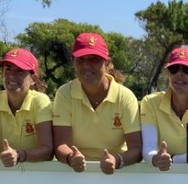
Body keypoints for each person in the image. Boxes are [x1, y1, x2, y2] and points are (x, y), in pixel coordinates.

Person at [52, 32, 140, 175]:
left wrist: (117, 161)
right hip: (76, 173)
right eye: (80, 59)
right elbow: (61, 145)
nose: (86, 65)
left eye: (94, 59)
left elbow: (136, 149)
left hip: (118, 175)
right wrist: (71, 157)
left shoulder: (125, 97)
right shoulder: (64, 93)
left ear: (107, 63)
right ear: (73, 61)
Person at [0, 48, 53, 169]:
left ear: (33, 79)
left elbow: (48, 150)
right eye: (7, 69)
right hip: (4, 174)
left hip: (38, 174)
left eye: (19, 71)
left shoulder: (40, 101)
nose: (12, 75)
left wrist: (19, 155)